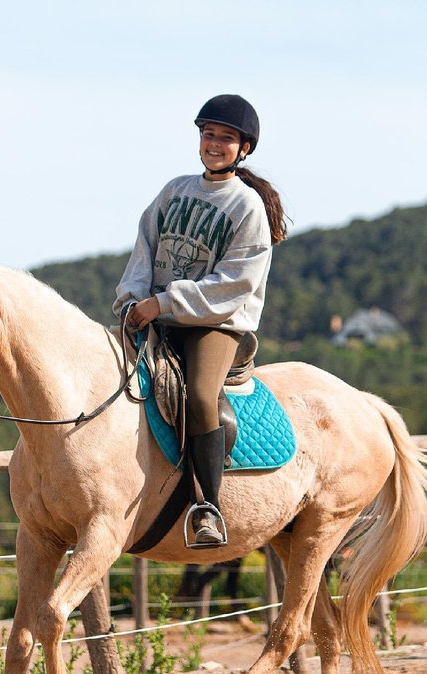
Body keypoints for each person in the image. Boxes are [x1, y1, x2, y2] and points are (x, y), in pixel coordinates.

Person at [113, 94, 286, 546]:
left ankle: (206, 506)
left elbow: (234, 283)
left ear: (243, 148)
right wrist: (132, 298)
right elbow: (144, 251)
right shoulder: (175, 190)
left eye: (225, 138)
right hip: (158, 312)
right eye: (208, 135)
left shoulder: (247, 207)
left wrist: (163, 303)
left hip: (217, 322)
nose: (214, 144)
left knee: (200, 398)